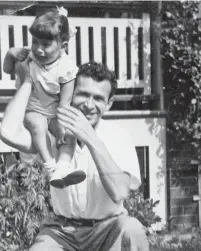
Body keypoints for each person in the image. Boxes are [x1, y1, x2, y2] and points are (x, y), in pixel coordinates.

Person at [0, 58, 150, 251]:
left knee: (132, 229)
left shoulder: (119, 137)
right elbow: (7, 132)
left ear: (109, 103)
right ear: (70, 94)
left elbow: (120, 192)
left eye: (98, 98)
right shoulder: (53, 131)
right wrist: (28, 80)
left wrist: (90, 137)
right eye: (83, 95)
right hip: (62, 232)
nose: (89, 105)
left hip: (108, 228)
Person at [3, 6, 86, 188]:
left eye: (46, 44)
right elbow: (7, 69)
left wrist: (62, 128)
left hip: (55, 111)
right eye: (35, 42)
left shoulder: (67, 67)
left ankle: (64, 166)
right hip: (32, 108)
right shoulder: (29, 56)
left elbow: (65, 102)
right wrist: (10, 54)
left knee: (69, 132)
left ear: (63, 46)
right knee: (37, 124)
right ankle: (50, 167)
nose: (39, 49)